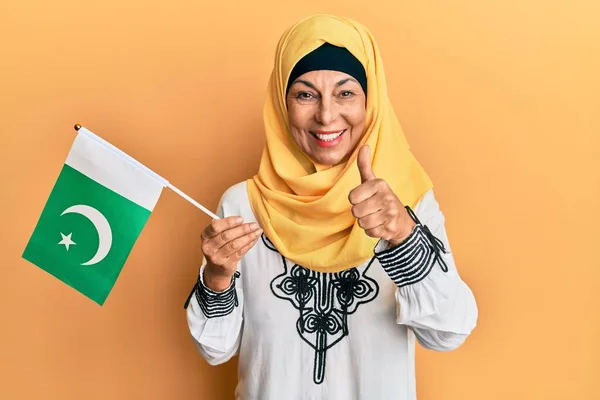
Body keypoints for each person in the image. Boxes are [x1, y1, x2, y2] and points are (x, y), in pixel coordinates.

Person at [184, 13, 478, 400]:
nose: (326, 115)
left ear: (371, 101)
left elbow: (447, 333)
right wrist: (218, 276)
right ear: (280, 104)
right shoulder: (245, 205)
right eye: (305, 94)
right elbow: (216, 348)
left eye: (345, 93)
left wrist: (404, 235)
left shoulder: (405, 201)